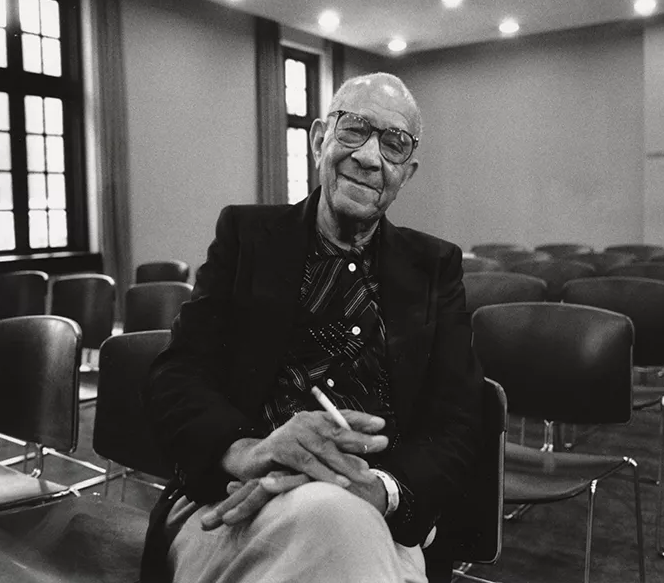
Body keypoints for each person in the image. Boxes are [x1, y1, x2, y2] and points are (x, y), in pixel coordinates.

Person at [140, 72, 483, 583]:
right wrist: (249, 452)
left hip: (378, 517)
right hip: (236, 501)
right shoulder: (246, 237)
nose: (369, 157)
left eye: (393, 144)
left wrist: (381, 490)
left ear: (407, 173)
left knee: (341, 522)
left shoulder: (434, 266)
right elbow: (177, 376)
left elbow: (460, 419)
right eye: (355, 130)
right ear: (320, 137)